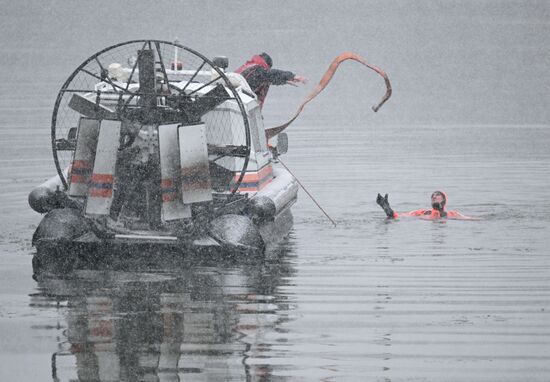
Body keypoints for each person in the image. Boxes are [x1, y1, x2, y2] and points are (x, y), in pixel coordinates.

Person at [235, 52, 307, 108]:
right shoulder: (258, 69)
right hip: (237, 100)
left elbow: (268, 77)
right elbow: (270, 75)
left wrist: (284, 81)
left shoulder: (249, 67)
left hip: (234, 96)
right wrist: (292, 76)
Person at [376, 190, 479, 220]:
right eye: (432, 196)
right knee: (391, 215)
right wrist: (391, 212)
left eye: (437, 195)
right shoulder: (423, 211)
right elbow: (403, 216)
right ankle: (387, 209)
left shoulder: (452, 213)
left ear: (444, 200)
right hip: (425, 220)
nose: (434, 196)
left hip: (442, 222)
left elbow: (469, 218)